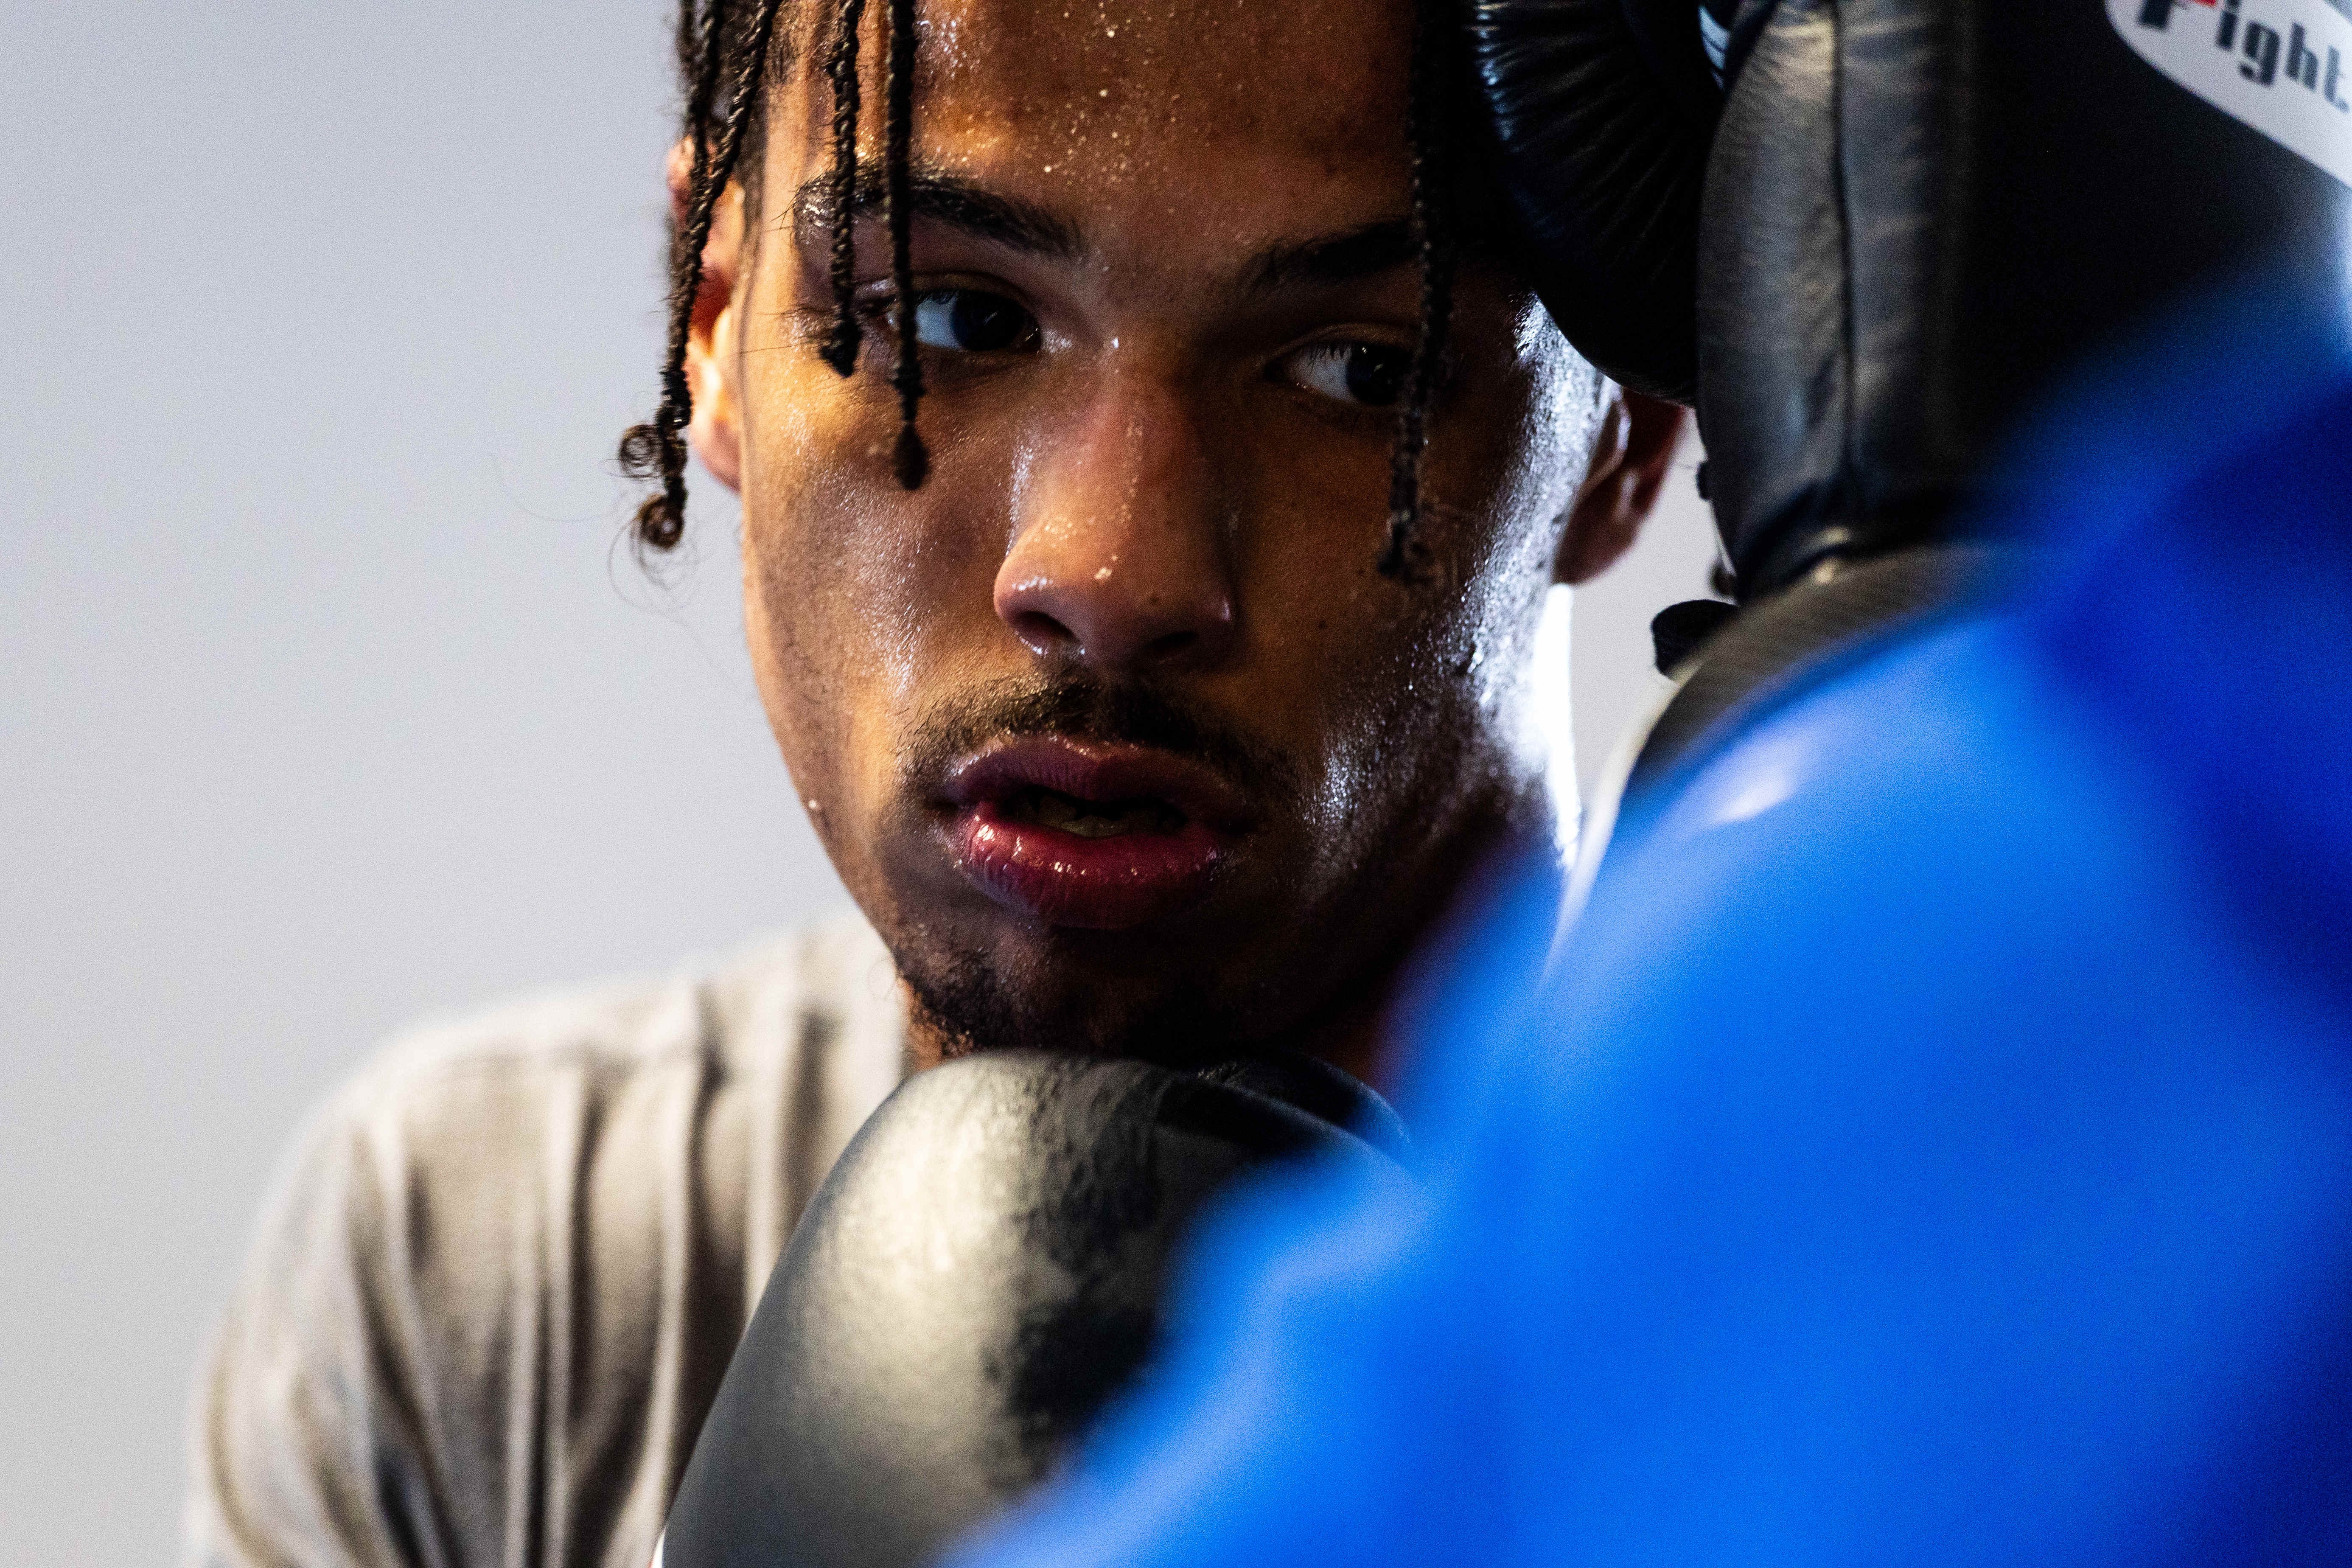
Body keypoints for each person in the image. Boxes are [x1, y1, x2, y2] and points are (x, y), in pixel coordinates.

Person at [183, 2, 1683, 1565]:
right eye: (960, 320)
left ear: (1625, 440)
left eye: (1355, 366)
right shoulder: (510, 1268)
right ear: (714, 332)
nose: (1109, 571)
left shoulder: (1856, 1266)